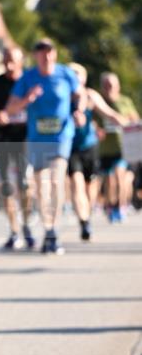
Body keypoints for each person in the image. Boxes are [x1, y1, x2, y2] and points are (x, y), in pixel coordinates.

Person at [7, 39, 82, 255]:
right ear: (35, 56)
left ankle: (52, 231)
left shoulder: (66, 74)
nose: (46, 56)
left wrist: (79, 111)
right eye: (41, 53)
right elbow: (11, 108)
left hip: (61, 136)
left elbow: (80, 95)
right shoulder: (28, 77)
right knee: (41, 186)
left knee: (57, 180)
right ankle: (47, 227)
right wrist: (27, 99)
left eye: (49, 52)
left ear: (55, 54)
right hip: (37, 138)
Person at [0, 46, 34, 250]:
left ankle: (27, 225)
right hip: (0, 138)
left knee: (25, 185)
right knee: (6, 186)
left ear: (21, 60)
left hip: (24, 137)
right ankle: (13, 230)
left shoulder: (28, 80)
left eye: (13, 59)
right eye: (6, 59)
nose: (9, 63)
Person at [67, 64, 127, 240]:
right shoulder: (62, 96)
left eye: (78, 75)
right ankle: (84, 222)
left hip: (90, 147)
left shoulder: (91, 95)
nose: (75, 78)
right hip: (70, 147)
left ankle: (88, 213)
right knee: (76, 184)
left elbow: (110, 114)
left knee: (89, 188)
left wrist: (130, 126)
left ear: (84, 78)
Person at [97, 72, 139, 221]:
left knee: (120, 175)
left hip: (123, 148)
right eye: (106, 85)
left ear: (118, 86)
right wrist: (97, 130)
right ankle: (110, 206)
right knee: (109, 179)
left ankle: (121, 206)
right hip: (105, 149)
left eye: (111, 85)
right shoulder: (99, 102)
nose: (109, 88)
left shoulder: (125, 101)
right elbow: (94, 122)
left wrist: (128, 121)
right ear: (102, 87)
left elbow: (135, 120)